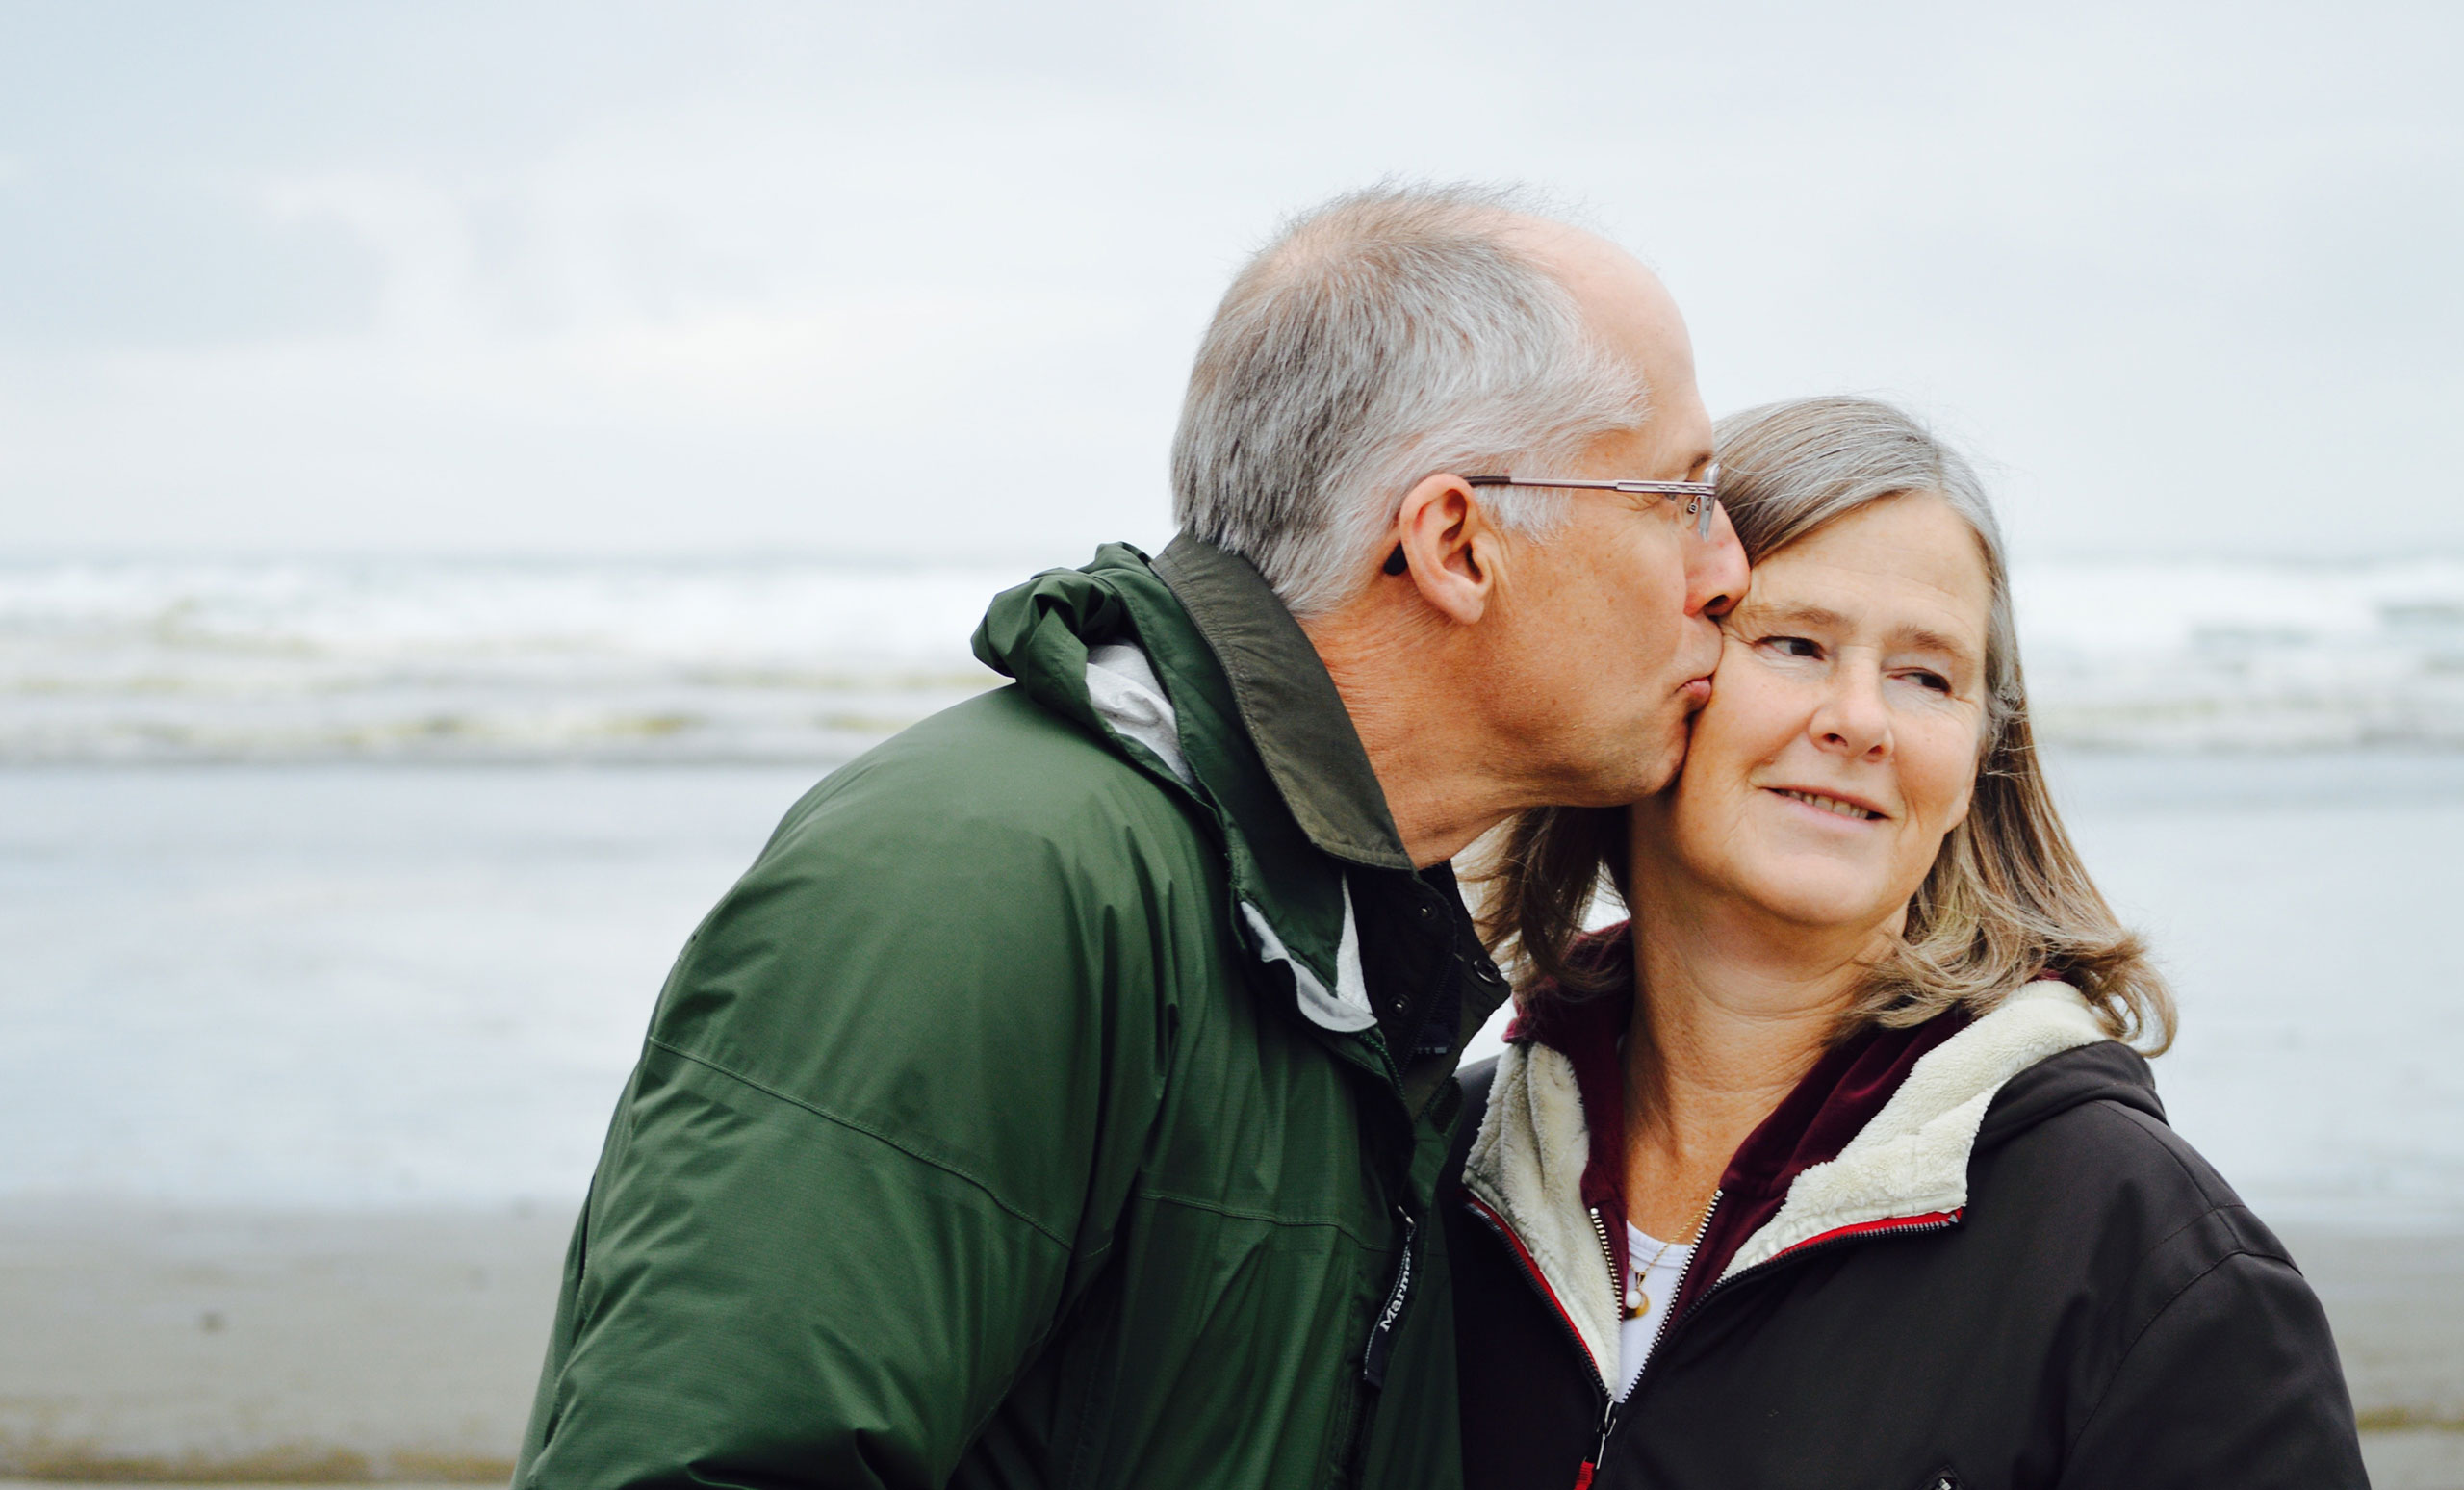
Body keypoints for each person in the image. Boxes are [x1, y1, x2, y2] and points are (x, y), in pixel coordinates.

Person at [512, 183, 1748, 1490]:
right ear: (1455, 542)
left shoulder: (1335, 937)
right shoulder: (986, 879)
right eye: (1679, 496)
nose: (1726, 569)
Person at [1444, 396, 2368, 1489]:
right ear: (1659, 672)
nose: (1860, 718)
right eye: (1793, 644)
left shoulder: (2147, 1259)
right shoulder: (1446, 1171)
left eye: (1925, 675)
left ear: (1980, 754)